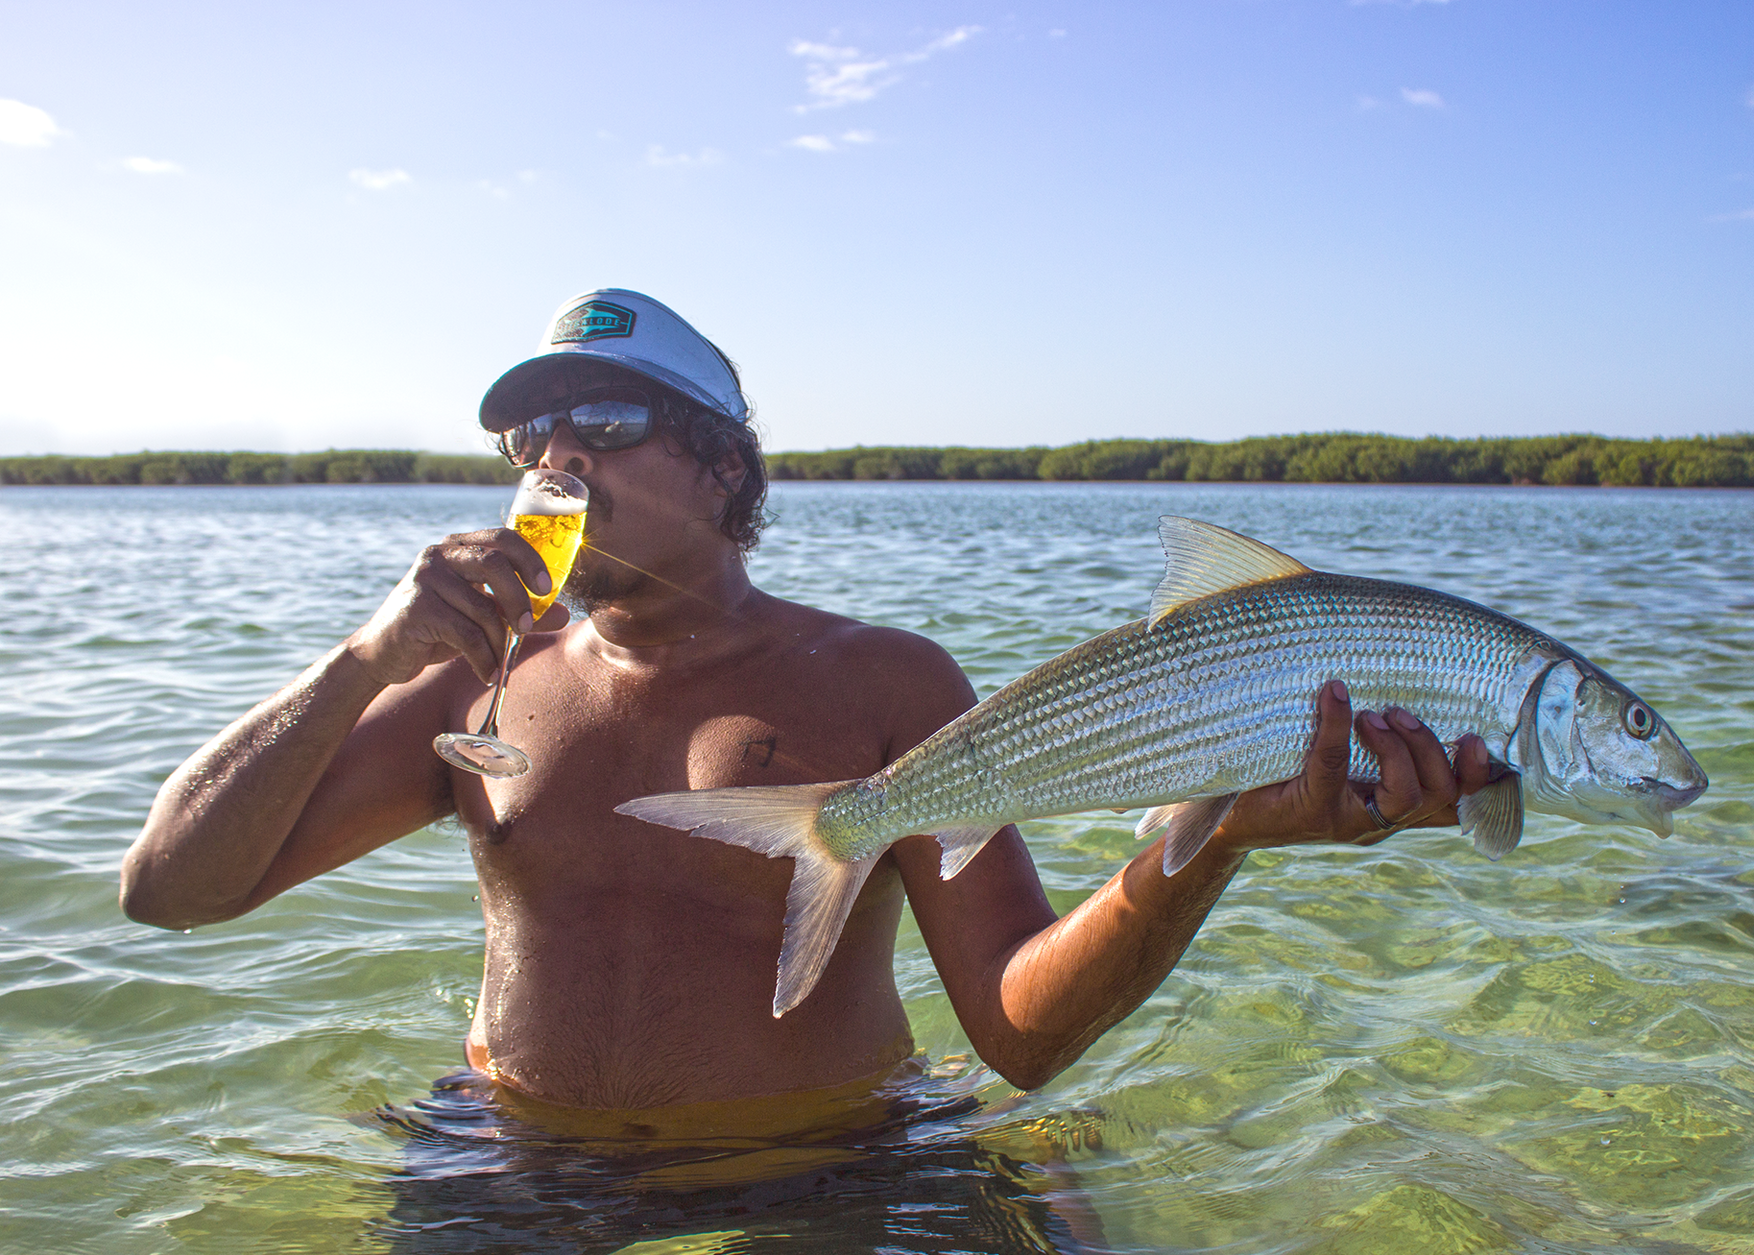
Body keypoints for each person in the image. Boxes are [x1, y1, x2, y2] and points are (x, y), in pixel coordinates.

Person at [121, 288, 1492, 1115]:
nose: (551, 458)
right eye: (526, 435)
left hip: (830, 1163)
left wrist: (1216, 843)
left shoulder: (881, 682)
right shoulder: (467, 684)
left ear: (725, 469)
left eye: (602, 424)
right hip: (513, 1154)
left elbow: (1018, 1034)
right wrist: (360, 661)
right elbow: (171, 894)